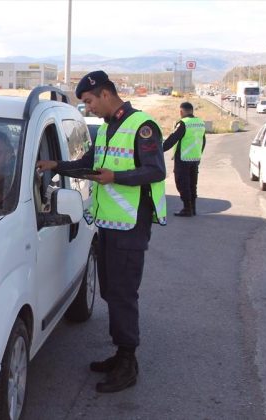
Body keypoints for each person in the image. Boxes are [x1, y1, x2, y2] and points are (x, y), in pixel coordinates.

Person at [36, 70, 167, 393]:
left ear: (106, 94)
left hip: (130, 227)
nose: (88, 108)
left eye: (90, 101)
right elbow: (92, 163)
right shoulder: (109, 128)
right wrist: (57, 166)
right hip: (109, 225)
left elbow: (155, 170)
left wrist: (116, 179)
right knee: (110, 292)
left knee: (123, 295)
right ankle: (121, 353)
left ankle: (128, 362)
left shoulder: (142, 126)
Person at [162, 102, 206, 217]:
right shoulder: (200, 123)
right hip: (195, 158)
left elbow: (173, 138)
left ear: (181, 112)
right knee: (192, 184)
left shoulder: (183, 123)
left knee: (182, 183)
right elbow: (203, 141)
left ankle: (187, 208)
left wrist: (159, 149)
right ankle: (193, 208)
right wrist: (199, 154)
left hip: (183, 158)